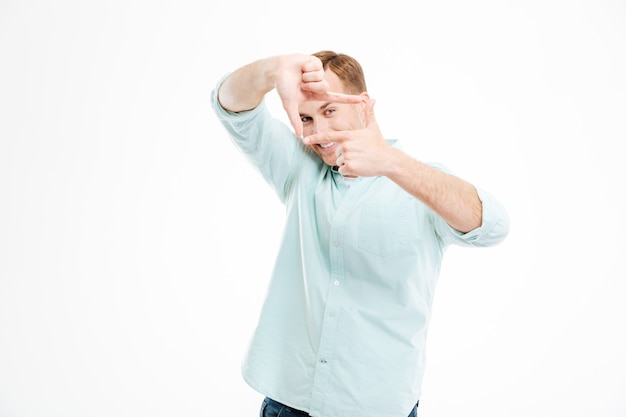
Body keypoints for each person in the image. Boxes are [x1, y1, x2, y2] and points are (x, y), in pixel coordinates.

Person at [210, 50, 510, 417]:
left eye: (329, 111)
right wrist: (273, 70)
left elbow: (492, 226)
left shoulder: (420, 183)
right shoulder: (300, 170)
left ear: (363, 105)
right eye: (306, 117)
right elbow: (230, 106)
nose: (318, 132)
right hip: (288, 404)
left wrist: (389, 162)